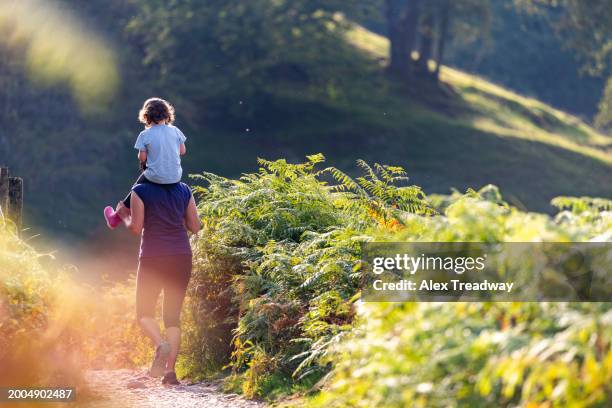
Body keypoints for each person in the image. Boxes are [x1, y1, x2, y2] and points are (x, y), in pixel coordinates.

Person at [116, 180, 201, 385]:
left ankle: (161, 344)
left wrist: (123, 215)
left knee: (144, 313)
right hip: (181, 256)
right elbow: (195, 226)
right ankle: (170, 373)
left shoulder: (140, 190)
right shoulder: (184, 190)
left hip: (153, 257)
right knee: (172, 318)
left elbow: (136, 228)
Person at [104, 97, 187, 229]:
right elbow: (182, 151)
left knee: (137, 186)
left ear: (146, 116)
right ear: (167, 115)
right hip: (176, 177)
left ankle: (116, 217)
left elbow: (142, 158)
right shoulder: (175, 130)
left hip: (155, 177)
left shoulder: (145, 134)